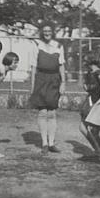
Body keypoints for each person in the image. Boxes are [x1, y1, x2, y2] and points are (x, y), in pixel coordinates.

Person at [30, 21, 66, 154]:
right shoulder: (37, 45)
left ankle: (51, 143)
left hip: (54, 80)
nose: (47, 33)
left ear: (53, 32)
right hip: (41, 79)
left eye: (49, 31)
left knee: (52, 113)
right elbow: (33, 67)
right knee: (42, 112)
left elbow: (62, 65)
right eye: (44, 31)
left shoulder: (59, 46)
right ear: (41, 32)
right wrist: (33, 86)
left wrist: (63, 83)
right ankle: (44, 143)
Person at [79, 50, 100, 154]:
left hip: (96, 102)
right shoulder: (89, 73)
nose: (84, 63)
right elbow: (87, 87)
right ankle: (97, 149)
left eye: (85, 60)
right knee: (83, 127)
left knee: (95, 130)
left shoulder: (99, 73)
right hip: (90, 100)